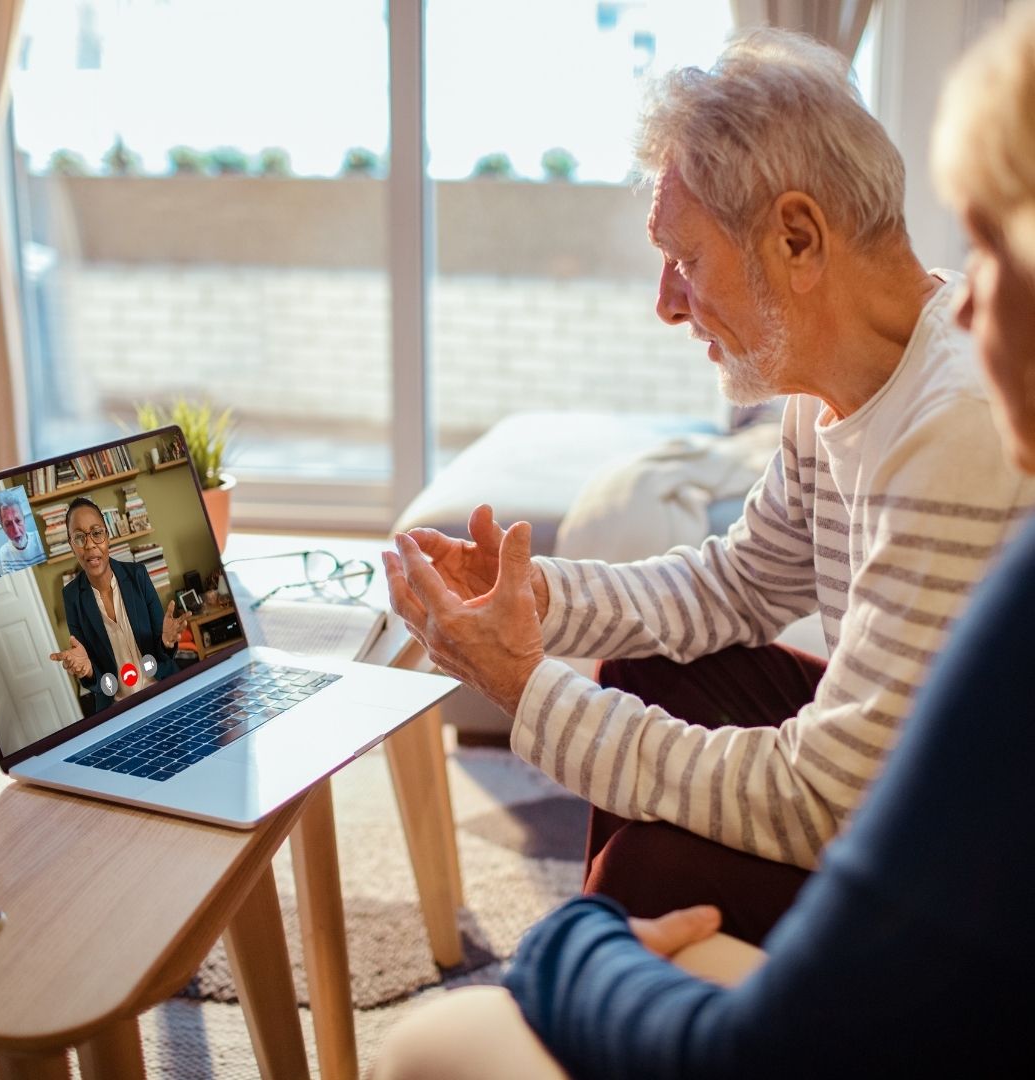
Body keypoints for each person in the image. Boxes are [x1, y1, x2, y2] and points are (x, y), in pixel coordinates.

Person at [371, 4, 1035, 1075]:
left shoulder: (958, 422)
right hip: (902, 776)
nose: (666, 305)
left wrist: (530, 694)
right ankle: (620, 968)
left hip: (950, 854)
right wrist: (528, 602)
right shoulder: (826, 394)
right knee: (644, 669)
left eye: (685, 260)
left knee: (652, 862)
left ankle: (607, 972)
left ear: (798, 239)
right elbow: (737, 583)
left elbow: (822, 800)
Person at [50, 496, 189, 711]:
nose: (89, 545)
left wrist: (167, 642)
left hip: (164, 691)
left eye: (96, 533)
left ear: (107, 535)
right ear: (71, 545)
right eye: (79, 538)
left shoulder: (138, 575)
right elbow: (95, 677)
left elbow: (161, 652)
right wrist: (87, 670)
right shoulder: (72, 597)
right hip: (117, 710)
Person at [0, 489, 45, 574]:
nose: (16, 530)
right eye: (8, 524)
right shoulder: (4, 552)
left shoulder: (39, 538)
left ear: (24, 519)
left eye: (18, 520)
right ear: (3, 527)